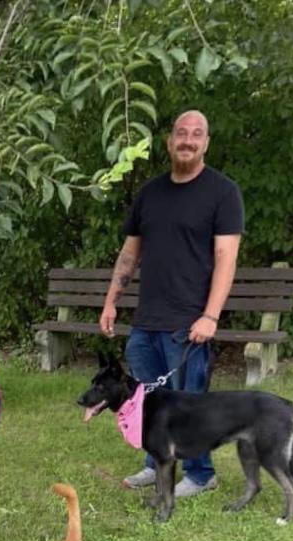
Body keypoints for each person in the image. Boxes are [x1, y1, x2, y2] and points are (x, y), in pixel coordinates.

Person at [99, 110, 244, 494]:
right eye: (181, 133)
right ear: (169, 141)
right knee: (148, 401)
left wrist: (211, 315)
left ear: (206, 143)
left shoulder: (222, 192)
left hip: (189, 324)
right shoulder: (150, 193)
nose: (188, 140)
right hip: (146, 323)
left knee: (189, 404)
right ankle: (156, 461)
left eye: (197, 134)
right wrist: (112, 300)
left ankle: (201, 473)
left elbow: (227, 258)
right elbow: (130, 254)